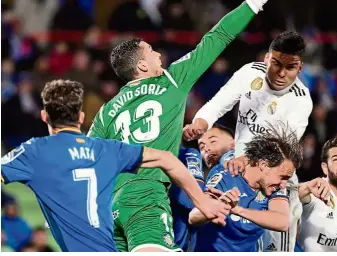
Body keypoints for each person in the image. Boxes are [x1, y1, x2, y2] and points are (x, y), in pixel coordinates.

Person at [87, 0, 291, 252]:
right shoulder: (171, 81)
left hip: (113, 205)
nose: (159, 53)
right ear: (143, 66)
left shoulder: (107, 111)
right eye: (151, 51)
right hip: (147, 193)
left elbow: (87, 162)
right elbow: (218, 37)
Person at [1, 80, 230, 252]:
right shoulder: (106, 149)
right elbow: (167, 159)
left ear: (44, 116)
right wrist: (202, 202)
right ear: (81, 117)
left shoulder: (33, 152)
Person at [183, 31, 313, 251]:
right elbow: (219, 103)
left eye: (290, 67)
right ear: (266, 58)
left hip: (272, 177)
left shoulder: (301, 101)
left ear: (299, 68)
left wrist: (247, 158)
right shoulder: (249, 73)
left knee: (278, 249)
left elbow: (281, 152)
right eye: (276, 63)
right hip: (236, 168)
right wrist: (201, 124)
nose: (281, 73)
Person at [189, 124, 303, 252]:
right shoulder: (226, 174)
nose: (283, 184)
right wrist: (217, 205)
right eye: (282, 177)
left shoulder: (273, 186)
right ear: (263, 165)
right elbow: (193, 217)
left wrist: (238, 210)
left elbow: (282, 222)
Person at [170, 124, 235, 251]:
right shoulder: (206, 170)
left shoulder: (239, 166)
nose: (207, 149)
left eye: (213, 141)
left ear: (234, 143)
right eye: (202, 146)